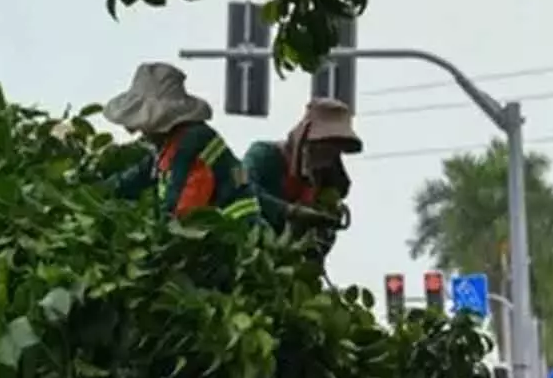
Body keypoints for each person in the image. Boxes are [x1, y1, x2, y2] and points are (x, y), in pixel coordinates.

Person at [101, 62, 258, 221]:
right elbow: (137, 176)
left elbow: (177, 207)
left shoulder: (192, 141)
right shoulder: (168, 145)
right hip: (217, 228)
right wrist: (97, 190)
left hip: (235, 228)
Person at [242, 98, 362, 248]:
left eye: (334, 149)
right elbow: (240, 188)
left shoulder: (325, 182)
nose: (326, 155)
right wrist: (289, 211)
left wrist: (325, 224)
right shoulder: (262, 155)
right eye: (322, 145)